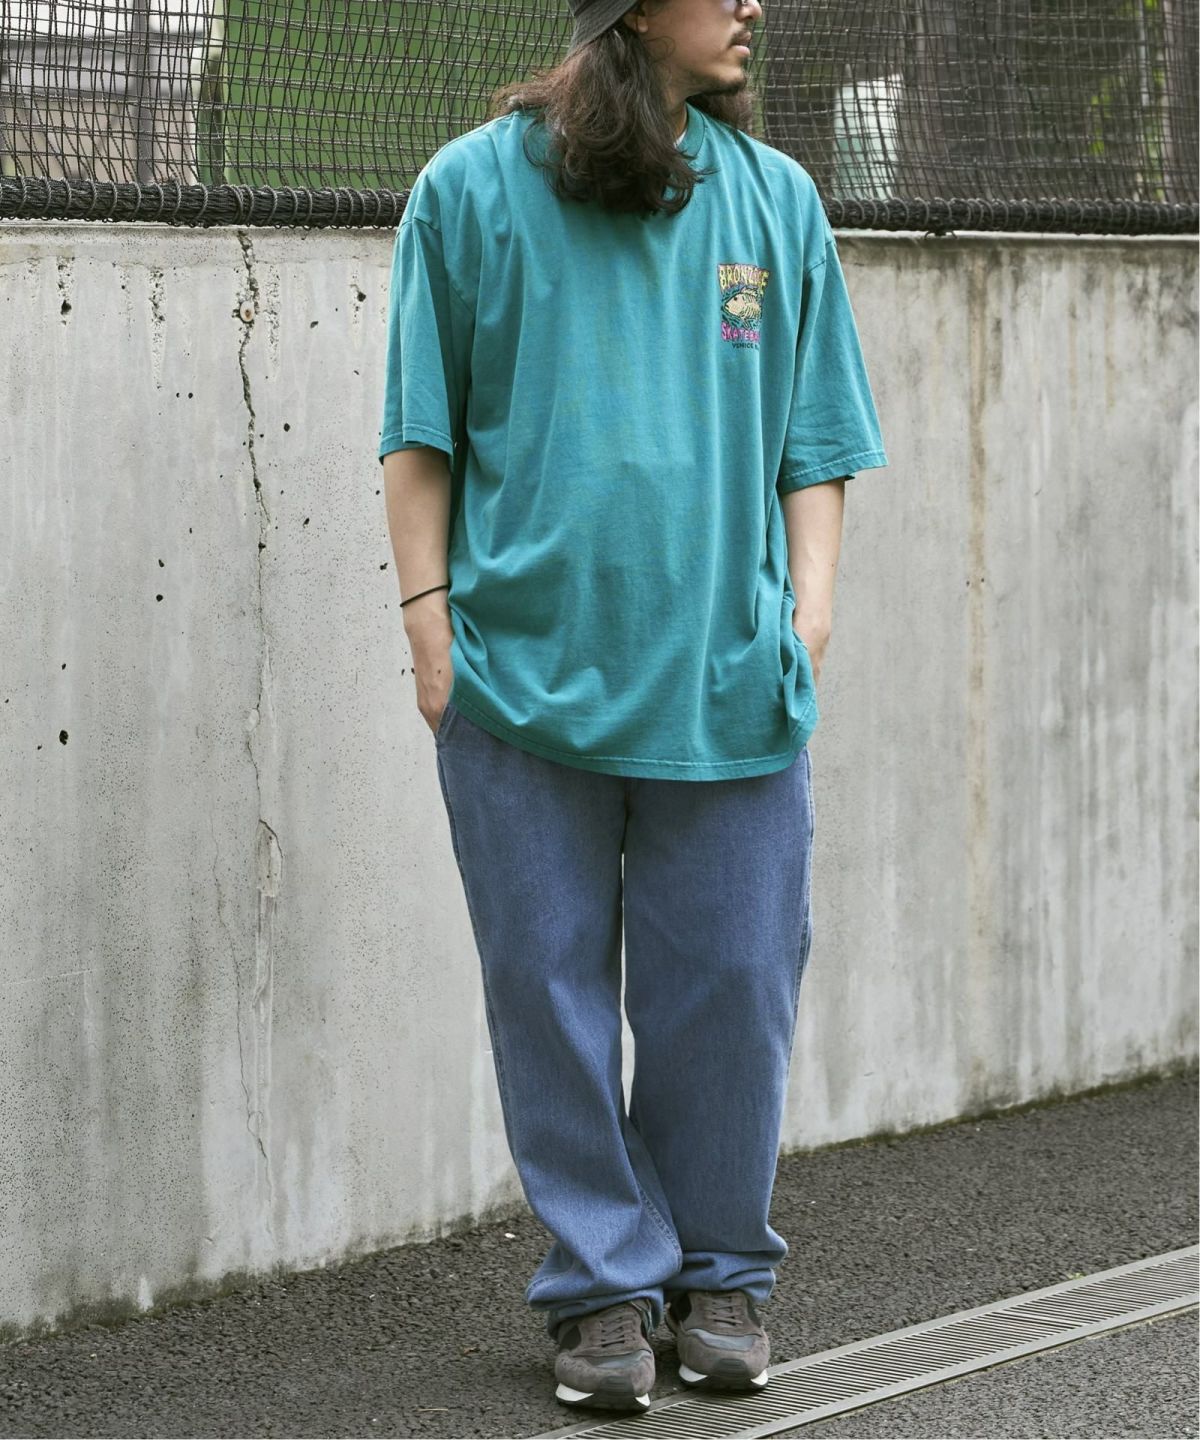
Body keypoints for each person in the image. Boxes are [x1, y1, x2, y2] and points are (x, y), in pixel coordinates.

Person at [378, 0, 887, 1415]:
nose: (753, 5)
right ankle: (601, 1284)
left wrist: (809, 615)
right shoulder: (469, 191)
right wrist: (428, 626)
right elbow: (419, 430)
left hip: (728, 683)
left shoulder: (777, 204)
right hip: (518, 684)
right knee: (544, 994)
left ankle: (719, 1270)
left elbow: (817, 442)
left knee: (733, 985)